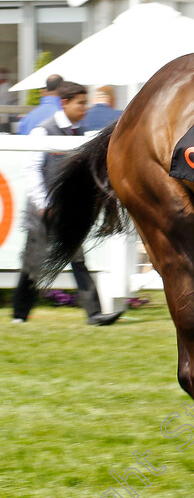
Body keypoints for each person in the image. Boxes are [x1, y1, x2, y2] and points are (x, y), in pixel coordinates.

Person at [12, 81, 124, 326]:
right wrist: (45, 203)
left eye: (85, 102)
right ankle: (20, 315)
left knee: (78, 260)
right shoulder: (43, 130)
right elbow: (31, 169)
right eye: (80, 103)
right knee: (33, 260)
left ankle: (94, 314)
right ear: (64, 103)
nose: (85, 108)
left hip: (67, 210)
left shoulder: (79, 131)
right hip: (42, 211)